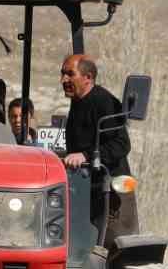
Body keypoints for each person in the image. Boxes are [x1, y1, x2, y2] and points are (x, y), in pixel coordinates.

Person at [59, 53, 137, 244]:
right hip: (86, 192)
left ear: (88, 77)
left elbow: (121, 144)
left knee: (113, 250)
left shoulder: (104, 102)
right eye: (62, 74)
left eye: (70, 74)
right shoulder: (77, 102)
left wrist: (84, 156)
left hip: (110, 195)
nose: (63, 80)